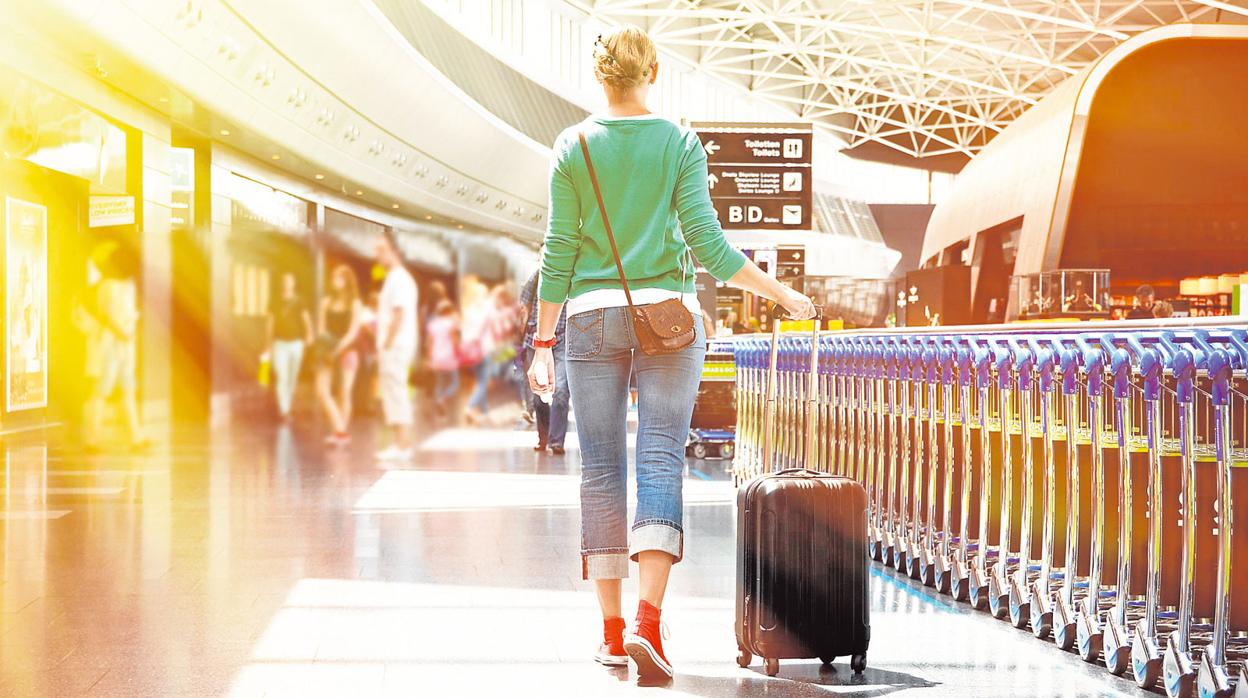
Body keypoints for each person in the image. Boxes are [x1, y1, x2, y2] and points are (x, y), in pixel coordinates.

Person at [526, 25, 815, 680]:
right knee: (659, 458)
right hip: (670, 321)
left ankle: (607, 631)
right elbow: (710, 250)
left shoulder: (572, 147)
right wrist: (780, 292)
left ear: (601, 77)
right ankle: (647, 625)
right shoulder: (680, 142)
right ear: (652, 71)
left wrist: (544, 342)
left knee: (600, 469)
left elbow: (559, 252)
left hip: (591, 319)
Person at [84, 243, 148, 451]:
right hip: (111, 345)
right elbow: (108, 316)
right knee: (102, 390)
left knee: (128, 389)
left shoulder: (124, 285)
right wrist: (125, 334)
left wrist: (129, 335)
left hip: (124, 346)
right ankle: (92, 438)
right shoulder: (109, 286)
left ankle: (136, 437)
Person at [374, 232, 419, 460]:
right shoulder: (395, 277)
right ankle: (399, 443)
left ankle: (403, 445)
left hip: (395, 346)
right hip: (394, 345)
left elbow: (398, 314)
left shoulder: (399, 278)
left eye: (382, 250)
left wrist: (386, 344)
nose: (378, 255)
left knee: (396, 391)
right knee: (392, 392)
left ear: (394, 251)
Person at [520, 269, 569, 454]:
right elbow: (523, 306)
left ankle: (556, 441)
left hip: (564, 338)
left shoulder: (572, 273)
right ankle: (543, 437)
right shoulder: (537, 276)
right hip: (535, 339)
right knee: (538, 394)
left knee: (561, 390)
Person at [315, 265, 363, 446]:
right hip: (326, 349)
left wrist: (338, 348)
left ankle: (340, 433)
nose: (335, 281)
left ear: (347, 281)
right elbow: (321, 328)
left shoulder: (355, 303)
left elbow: (353, 331)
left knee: (345, 391)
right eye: (333, 277)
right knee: (321, 390)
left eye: (339, 278)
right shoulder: (326, 302)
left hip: (347, 350)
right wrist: (326, 347)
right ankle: (341, 430)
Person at [266, 272, 313, 421]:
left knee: (292, 376)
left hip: (296, 343)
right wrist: (267, 345)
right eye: (284, 280)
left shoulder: (300, 301)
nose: (286, 283)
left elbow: (306, 320)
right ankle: (284, 410)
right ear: (282, 283)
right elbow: (270, 323)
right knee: (281, 375)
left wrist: (309, 334)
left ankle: (288, 404)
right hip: (279, 343)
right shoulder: (274, 301)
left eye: (289, 281)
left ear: (293, 284)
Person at [426, 299, 461, 412]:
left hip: (436, 358)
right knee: (455, 382)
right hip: (449, 357)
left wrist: (429, 358)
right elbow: (455, 341)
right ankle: (443, 399)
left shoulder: (432, 324)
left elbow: (429, 343)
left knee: (439, 383)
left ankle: (439, 402)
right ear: (449, 311)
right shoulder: (451, 324)